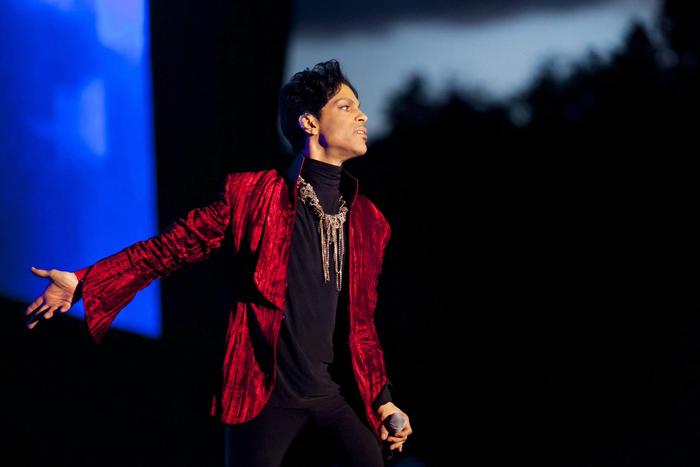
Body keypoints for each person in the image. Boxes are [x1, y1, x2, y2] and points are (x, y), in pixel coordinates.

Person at [25, 59, 413, 466]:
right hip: (263, 395)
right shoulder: (252, 195)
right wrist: (84, 281)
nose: (362, 115)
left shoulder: (369, 222)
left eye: (359, 107)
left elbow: (361, 325)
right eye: (346, 107)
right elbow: (169, 248)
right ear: (309, 123)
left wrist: (383, 400)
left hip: (332, 395)